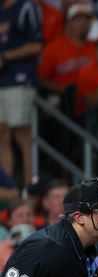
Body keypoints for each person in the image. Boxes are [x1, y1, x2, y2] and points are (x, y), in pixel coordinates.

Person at [0, 0, 42, 184]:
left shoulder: (27, 8)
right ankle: (7, 186)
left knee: (21, 132)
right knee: (2, 133)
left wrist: (5, 56)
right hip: (2, 80)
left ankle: (30, 185)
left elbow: (36, 45)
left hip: (20, 78)